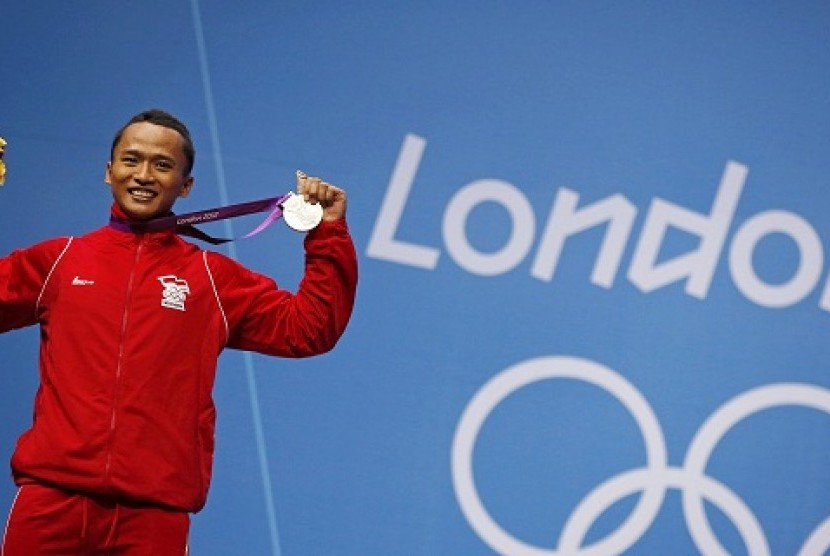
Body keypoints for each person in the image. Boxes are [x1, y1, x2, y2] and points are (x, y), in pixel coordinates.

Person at [0, 109, 358, 554]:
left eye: (162, 165)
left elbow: (309, 330)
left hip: (153, 517)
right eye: (131, 160)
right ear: (109, 172)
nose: (143, 175)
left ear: (186, 185)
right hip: (52, 503)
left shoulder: (211, 278)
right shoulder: (59, 261)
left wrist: (327, 233)